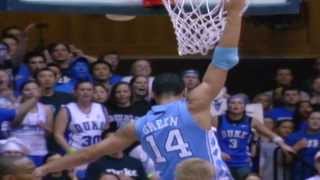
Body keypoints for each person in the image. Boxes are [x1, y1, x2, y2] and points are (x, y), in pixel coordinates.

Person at [33, 1, 285, 179]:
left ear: (153, 95)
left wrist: (42, 170)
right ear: (183, 92)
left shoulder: (137, 125)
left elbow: (88, 153)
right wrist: (235, 15)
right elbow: (224, 60)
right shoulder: (194, 104)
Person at [215, 94, 293, 180]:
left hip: (242, 163)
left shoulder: (251, 121)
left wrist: (283, 145)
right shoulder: (218, 120)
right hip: (222, 161)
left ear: (245, 106)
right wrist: (217, 152)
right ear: (228, 105)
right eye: (232, 103)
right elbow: (206, 137)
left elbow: (272, 135)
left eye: (240, 103)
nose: (236, 105)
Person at [54, 81, 109, 178]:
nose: (86, 92)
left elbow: (106, 130)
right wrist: (71, 151)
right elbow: (58, 134)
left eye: (89, 90)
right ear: (75, 92)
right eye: (82, 89)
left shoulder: (101, 108)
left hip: (98, 155)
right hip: (77, 154)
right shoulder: (67, 109)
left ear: (93, 92)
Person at [10, 80, 53, 166]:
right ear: (21, 92)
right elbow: (12, 125)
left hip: (39, 151)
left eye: (34, 89)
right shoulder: (14, 107)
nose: (31, 92)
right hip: (17, 151)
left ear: (39, 91)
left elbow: (49, 132)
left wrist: (44, 127)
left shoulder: (46, 109)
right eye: (27, 89)